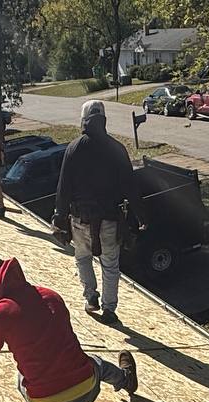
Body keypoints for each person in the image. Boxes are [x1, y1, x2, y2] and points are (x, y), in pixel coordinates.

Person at [0, 253, 138, 402]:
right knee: (96, 362)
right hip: (87, 388)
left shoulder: (0, 315)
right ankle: (125, 379)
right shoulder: (51, 296)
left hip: (45, 400)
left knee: (21, 378)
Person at [52, 99, 143, 326]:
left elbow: (64, 187)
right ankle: (109, 310)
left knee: (82, 257)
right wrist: (142, 218)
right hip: (110, 220)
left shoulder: (74, 148)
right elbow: (131, 188)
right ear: (104, 119)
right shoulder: (117, 149)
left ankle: (91, 298)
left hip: (80, 219)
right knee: (110, 265)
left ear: (83, 120)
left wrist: (58, 217)